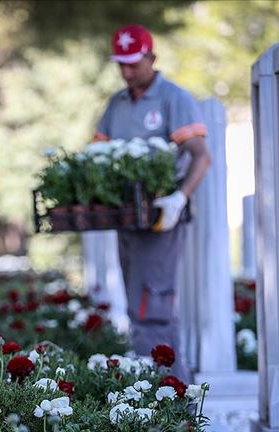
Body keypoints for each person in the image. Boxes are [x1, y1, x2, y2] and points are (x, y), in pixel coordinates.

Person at [94, 24, 211, 382]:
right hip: (127, 219)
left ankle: (173, 395)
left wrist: (179, 197)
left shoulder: (173, 98)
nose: (127, 72)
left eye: (133, 63)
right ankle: (157, 393)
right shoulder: (116, 104)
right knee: (136, 307)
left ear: (152, 58)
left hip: (162, 220)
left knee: (153, 307)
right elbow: (97, 155)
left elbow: (201, 156)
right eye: (121, 64)